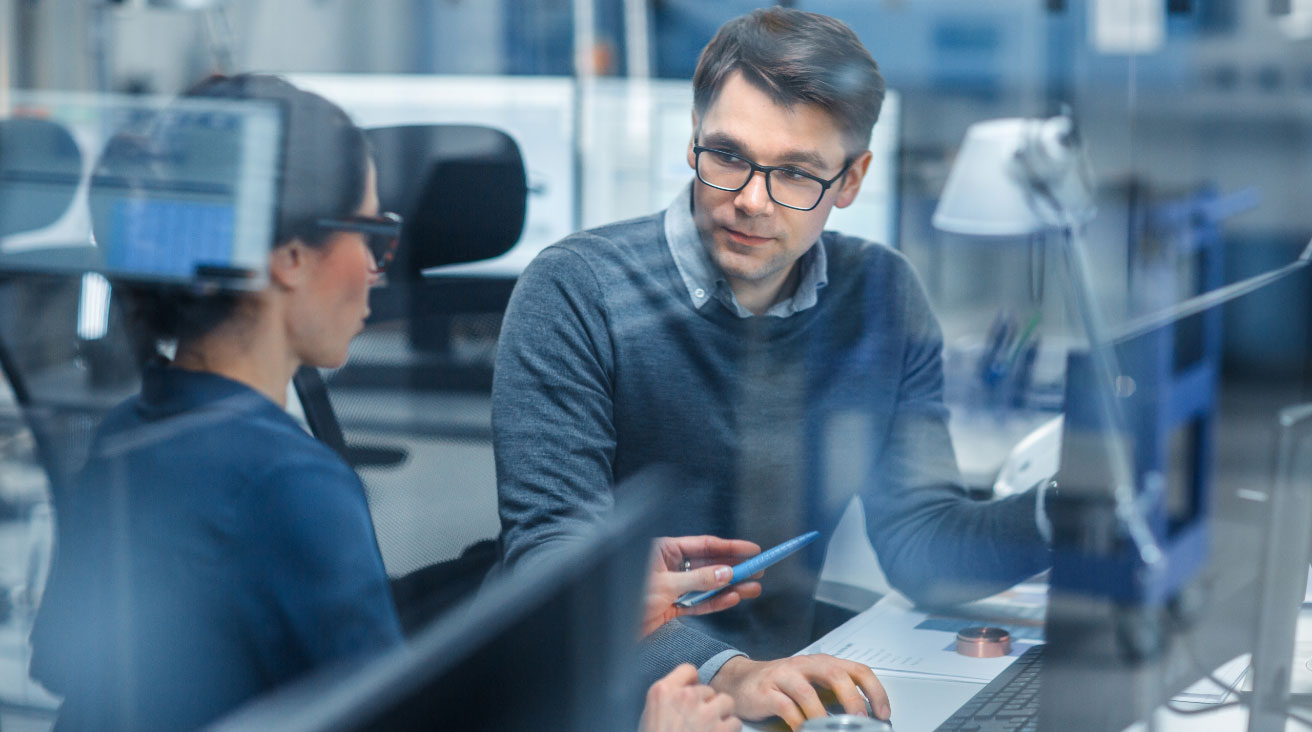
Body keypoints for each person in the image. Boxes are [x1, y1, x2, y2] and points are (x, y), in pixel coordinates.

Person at [28, 73, 741, 732]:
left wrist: (583, 599)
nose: (379, 268)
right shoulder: (288, 481)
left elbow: (88, 660)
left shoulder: (133, 436)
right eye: (372, 233)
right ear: (290, 256)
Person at [493, 8, 1052, 730]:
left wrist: (1066, 510)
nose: (750, 201)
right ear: (691, 141)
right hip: (604, 702)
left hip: (780, 696)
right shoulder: (576, 291)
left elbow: (921, 542)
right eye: (727, 156)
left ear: (851, 180)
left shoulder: (881, 294)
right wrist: (734, 675)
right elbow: (554, 573)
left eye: (794, 172)